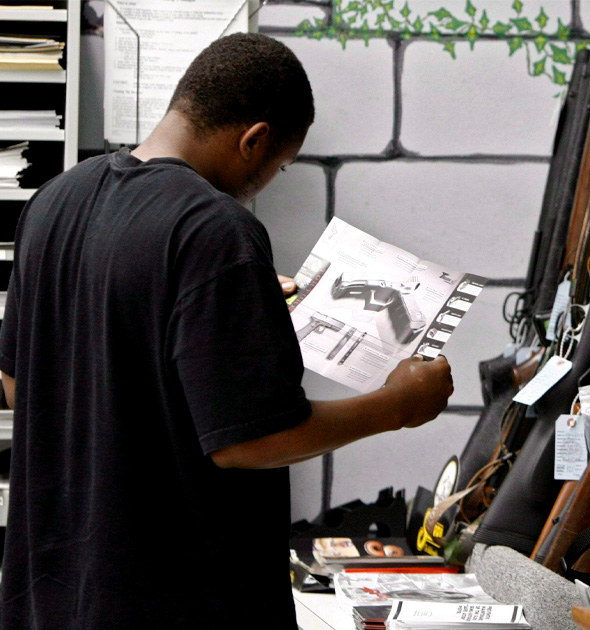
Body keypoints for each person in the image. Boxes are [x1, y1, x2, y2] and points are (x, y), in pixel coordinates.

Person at [0, 33, 454, 629]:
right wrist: (398, 405)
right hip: (172, 605)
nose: (270, 178)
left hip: (51, 599)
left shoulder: (53, 202)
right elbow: (248, 441)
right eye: (279, 166)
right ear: (254, 139)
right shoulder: (216, 230)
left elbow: (19, 387)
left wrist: (236, 320)